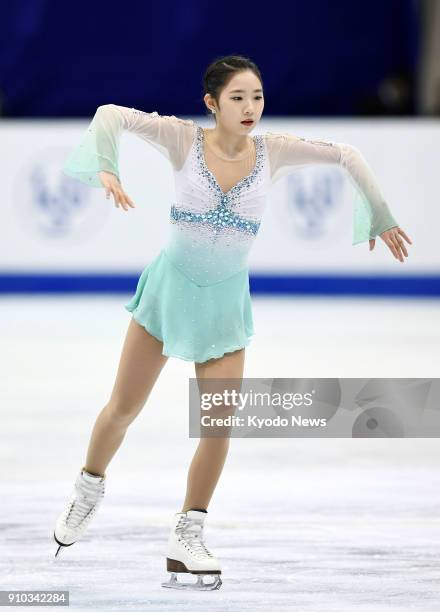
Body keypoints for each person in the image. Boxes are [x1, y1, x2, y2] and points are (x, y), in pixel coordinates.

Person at [53, 54, 412, 591]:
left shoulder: (276, 153)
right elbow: (109, 113)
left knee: (218, 426)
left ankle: (188, 534)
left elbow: (348, 155)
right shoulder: (181, 140)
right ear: (211, 103)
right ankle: (88, 491)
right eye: (238, 98)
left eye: (257, 98)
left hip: (224, 303)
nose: (250, 108)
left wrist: (379, 215)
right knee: (124, 409)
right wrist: (107, 164)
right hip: (170, 292)